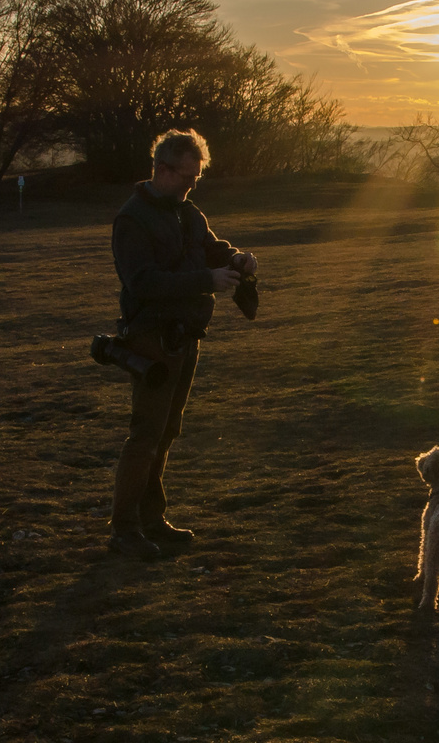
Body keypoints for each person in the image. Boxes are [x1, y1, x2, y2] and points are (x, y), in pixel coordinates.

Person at [106, 128, 257, 561]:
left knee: (166, 432)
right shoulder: (132, 220)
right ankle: (125, 528)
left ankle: (152, 520)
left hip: (185, 337)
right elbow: (142, 281)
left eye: (197, 178)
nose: (193, 185)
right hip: (151, 338)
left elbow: (209, 248)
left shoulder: (186, 211)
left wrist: (234, 259)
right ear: (162, 169)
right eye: (187, 177)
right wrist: (206, 281)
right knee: (146, 435)